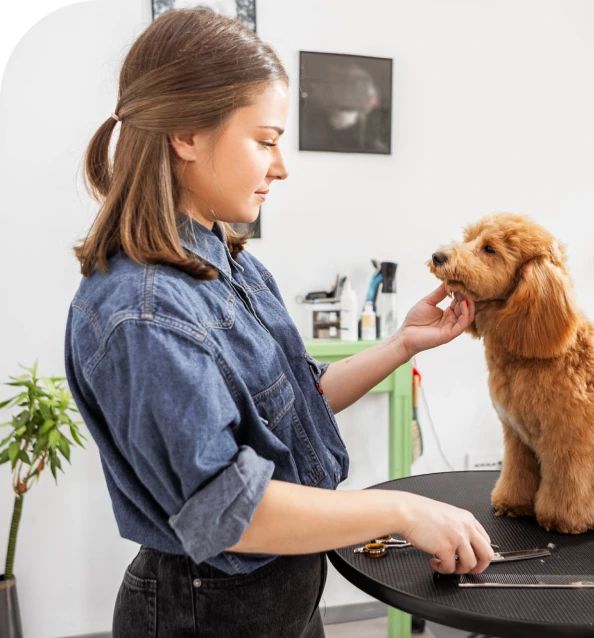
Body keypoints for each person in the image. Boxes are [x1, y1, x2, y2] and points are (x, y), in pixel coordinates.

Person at [64, 8, 493, 638]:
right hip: (208, 612)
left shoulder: (229, 263)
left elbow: (297, 401)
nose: (281, 165)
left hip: (282, 599)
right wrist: (397, 511)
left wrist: (403, 343)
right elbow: (229, 511)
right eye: (265, 140)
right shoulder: (145, 314)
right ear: (187, 134)